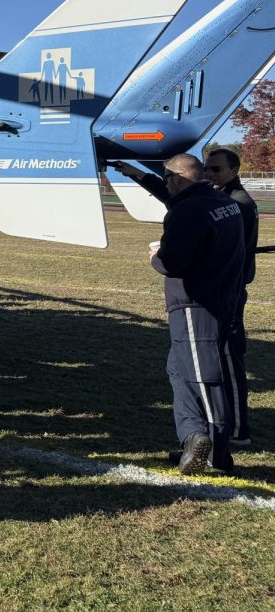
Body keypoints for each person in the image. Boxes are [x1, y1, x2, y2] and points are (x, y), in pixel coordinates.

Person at [151, 153, 245, 475]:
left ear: (177, 178)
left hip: (195, 304)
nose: (166, 185)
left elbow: (171, 262)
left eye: (166, 179)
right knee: (179, 372)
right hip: (219, 296)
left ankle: (217, 455)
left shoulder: (188, 210)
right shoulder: (222, 202)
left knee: (204, 378)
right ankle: (193, 439)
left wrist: (155, 256)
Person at [204, 148, 259, 446]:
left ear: (234, 170)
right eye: (206, 169)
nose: (209, 175)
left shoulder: (239, 204)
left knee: (229, 358)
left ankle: (239, 430)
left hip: (231, 292)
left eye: (216, 170)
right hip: (221, 289)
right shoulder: (226, 199)